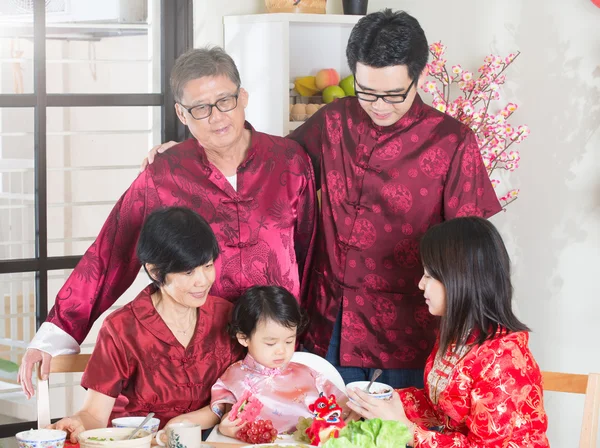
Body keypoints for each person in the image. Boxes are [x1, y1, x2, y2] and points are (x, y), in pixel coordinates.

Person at [143, 10, 502, 389]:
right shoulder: (333, 121)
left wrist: (468, 342)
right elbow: (264, 161)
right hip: (328, 331)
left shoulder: (453, 142)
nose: (379, 105)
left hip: (410, 337)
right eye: (366, 92)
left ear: (421, 76)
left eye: (393, 94)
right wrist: (195, 148)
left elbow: (469, 253)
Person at [18, 46, 317, 398]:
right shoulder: (165, 173)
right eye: (200, 109)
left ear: (243, 97)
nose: (217, 117)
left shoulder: (290, 160)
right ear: (182, 113)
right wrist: (55, 334)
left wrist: (306, 342)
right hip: (198, 352)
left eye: (225, 101)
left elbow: (311, 255)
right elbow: (110, 252)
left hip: (275, 352)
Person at [345, 217, 549, 447]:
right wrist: (373, 402)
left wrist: (405, 430)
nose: (421, 284)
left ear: (460, 279)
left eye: (429, 276)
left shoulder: (502, 358)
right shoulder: (457, 337)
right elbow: (438, 407)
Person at [49, 207, 243, 442]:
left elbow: (246, 389)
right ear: (155, 271)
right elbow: (94, 414)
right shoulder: (121, 328)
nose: (202, 281)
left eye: (208, 266)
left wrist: (202, 418)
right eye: (189, 271)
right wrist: (78, 422)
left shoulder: (226, 315)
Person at [171, 285, 348, 438]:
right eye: (271, 343)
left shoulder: (308, 373)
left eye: (289, 341)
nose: (282, 350)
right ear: (243, 338)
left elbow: (346, 409)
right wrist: (178, 423)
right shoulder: (236, 376)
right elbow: (217, 414)